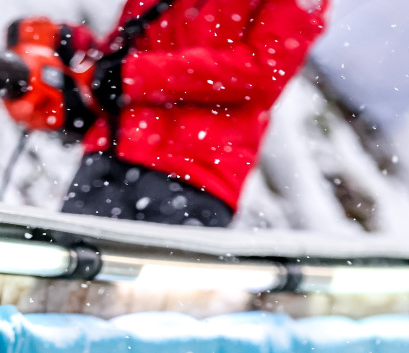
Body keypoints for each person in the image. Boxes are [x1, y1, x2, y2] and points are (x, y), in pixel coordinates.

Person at [60, 0, 329, 228]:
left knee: (160, 290)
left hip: (192, 176)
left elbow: (264, 70)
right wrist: (74, 49)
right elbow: (128, 45)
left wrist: (134, 75)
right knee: (64, 284)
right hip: (109, 156)